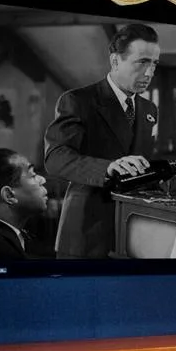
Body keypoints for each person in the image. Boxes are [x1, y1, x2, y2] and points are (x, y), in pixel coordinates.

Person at [42, 23, 163, 257]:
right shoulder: (78, 100)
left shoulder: (149, 109)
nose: (149, 73)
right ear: (115, 61)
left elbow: (140, 162)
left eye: (154, 64)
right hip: (87, 229)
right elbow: (55, 158)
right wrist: (107, 168)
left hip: (132, 228)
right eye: (142, 62)